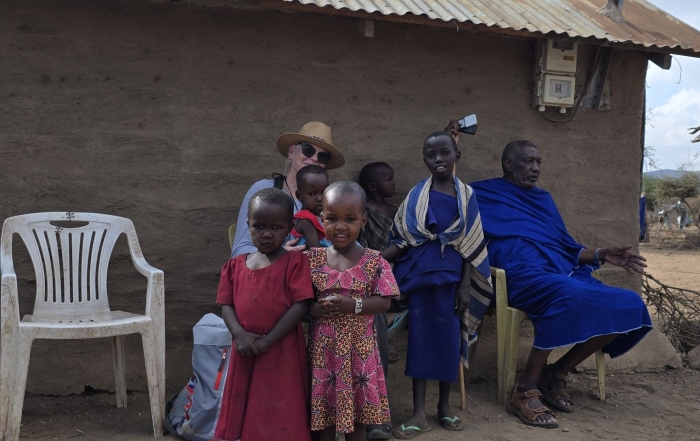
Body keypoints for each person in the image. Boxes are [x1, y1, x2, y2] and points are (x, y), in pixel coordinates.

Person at [469, 139, 653, 429]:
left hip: (560, 272)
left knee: (629, 304)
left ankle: (557, 371)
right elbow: (444, 193)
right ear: (508, 164)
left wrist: (602, 254)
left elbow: (565, 248)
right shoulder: (482, 194)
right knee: (567, 296)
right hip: (518, 276)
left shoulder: (543, 200)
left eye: (539, 162)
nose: (536, 168)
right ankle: (524, 389)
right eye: (529, 161)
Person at [382, 132, 493, 439]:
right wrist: (372, 260)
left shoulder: (466, 196)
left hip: (452, 281)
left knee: (449, 343)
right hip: (421, 279)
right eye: (431, 156)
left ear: (457, 156)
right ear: (425, 160)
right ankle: (419, 412)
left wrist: (464, 286)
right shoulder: (417, 195)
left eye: (445, 153)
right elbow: (403, 237)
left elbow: (470, 243)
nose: (438, 160)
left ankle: (444, 407)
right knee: (420, 341)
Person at [214, 188, 314, 441]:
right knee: (248, 404)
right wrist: (239, 335)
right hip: (245, 348)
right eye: (259, 226)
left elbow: (300, 305)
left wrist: (268, 340)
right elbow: (226, 305)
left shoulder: (295, 263)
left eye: (276, 227)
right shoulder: (235, 266)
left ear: (290, 227)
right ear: (247, 225)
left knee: (281, 402)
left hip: (282, 350)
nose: (267, 234)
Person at [306, 181, 399, 441]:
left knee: (358, 417)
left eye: (350, 219)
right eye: (332, 218)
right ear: (322, 218)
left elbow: (385, 301)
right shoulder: (312, 260)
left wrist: (353, 305)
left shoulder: (374, 260)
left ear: (364, 220)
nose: (341, 227)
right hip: (325, 354)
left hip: (361, 352)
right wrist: (313, 309)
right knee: (322, 416)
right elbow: (301, 301)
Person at [231, 121, 345, 257]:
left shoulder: (331, 199)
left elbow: (350, 243)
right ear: (291, 152)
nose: (314, 158)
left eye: (323, 156)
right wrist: (278, 255)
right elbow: (240, 251)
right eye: (308, 150)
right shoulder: (264, 190)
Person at [357, 162, 401, 439]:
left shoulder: (393, 215)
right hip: (342, 300)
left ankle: (376, 413)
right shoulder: (320, 251)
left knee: (375, 328)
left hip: (373, 291)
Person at [290, 165, 332, 248]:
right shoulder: (305, 220)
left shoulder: (322, 216)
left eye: (324, 193)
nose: (320, 198)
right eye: (312, 194)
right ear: (299, 196)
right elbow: (316, 252)